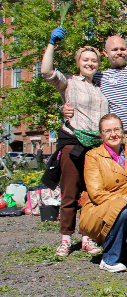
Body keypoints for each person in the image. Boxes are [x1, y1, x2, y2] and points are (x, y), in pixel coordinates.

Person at [63, 18, 127, 235]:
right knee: (120, 183)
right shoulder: (99, 77)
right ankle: (121, 227)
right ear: (105, 53)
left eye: (122, 48)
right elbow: (78, 92)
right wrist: (64, 107)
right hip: (117, 136)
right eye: (114, 49)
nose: (119, 52)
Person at [41, 27, 109, 257]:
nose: (90, 63)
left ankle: (88, 237)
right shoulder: (69, 82)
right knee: (70, 192)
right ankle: (66, 239)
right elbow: (46, 71)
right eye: (85, 60)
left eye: (94, 60)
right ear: (78, 62)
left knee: (91, 193)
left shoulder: (100, 86)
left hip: (96, 146)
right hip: (74, 141)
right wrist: (52, 43)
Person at [80, 114, 127, 272]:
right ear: (101, 135)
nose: (113, 134)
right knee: (123, 207)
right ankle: (109, 259)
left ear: (123, 132)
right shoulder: (93, 156)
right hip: (101, 212)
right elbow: (96, 194)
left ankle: (120, 247)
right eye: (107, 131)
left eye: (116, 130)